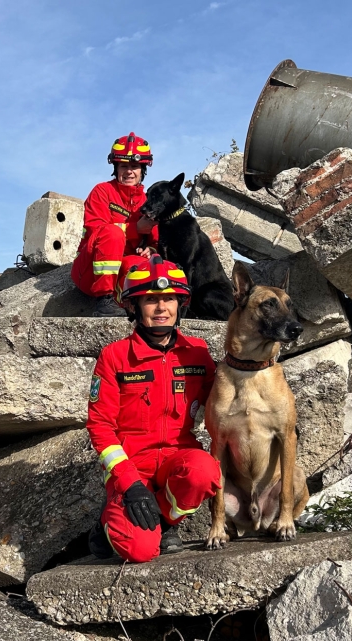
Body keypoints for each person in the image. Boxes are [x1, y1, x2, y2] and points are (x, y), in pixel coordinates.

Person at [86, 255, 222, 562]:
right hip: (132, 467)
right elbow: (100, 426)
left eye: (169, 299)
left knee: (205, 472)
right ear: (133, 306)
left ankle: (164, 521)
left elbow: (224, 402)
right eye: (151, 300)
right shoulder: (114, 356)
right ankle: (107, 523)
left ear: (180, 304)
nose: (162, 308)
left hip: (178, 458)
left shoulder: (198, 353)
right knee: (140, 551)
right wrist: (129, 483)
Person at [71, 132, 159, 317]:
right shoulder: (102, 191)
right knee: (112, 233)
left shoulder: (147, 201)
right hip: (89, 271)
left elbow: (157, 239)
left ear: (143, 169)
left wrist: (151, 249)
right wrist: (135, 229)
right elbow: (96, 230)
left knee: (142, 265)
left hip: (122, 269)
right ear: (116, 168)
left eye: (134, 166)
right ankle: (104, 300)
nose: (129, 171)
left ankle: (131, 307)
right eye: (124, 166)